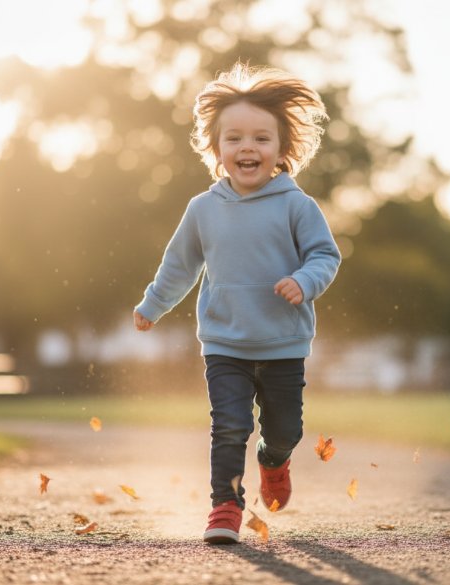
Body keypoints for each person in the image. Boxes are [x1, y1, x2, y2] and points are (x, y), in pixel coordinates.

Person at [133, 62, 341, 544]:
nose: (248, 147)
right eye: (235, 138)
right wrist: (152, 305)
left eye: (261, 139)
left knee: (285, 429)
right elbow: (179, 264)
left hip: (284, 342)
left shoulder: (296, 205)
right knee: (229, 427)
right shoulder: (202, 209)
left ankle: (274, 459)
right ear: (216, 148)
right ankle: (224, 507)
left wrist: (304, 281)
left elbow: (324, 254)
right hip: (224, 341)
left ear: (282, 150)